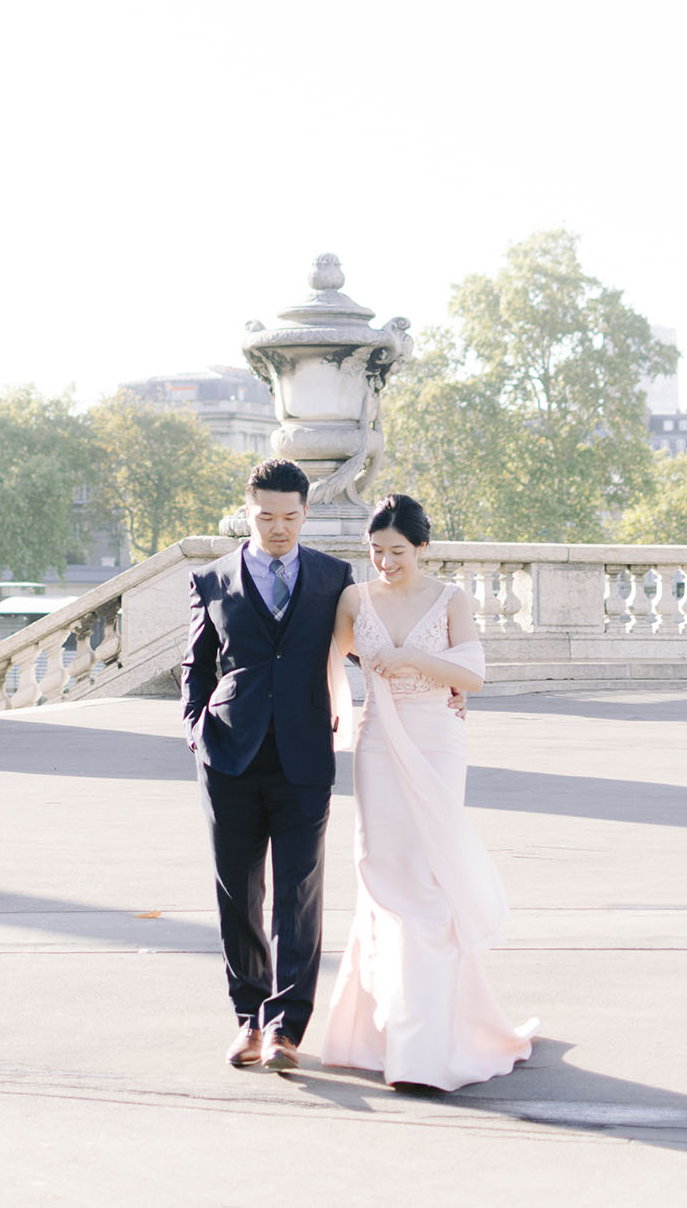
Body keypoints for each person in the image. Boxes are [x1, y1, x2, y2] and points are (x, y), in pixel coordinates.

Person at [321, 493, 539, 1090]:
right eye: (375, 551)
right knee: (381, 868)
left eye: (396, 551)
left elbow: (472, 674)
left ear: (421, 548)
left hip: (437, 738)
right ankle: (378, 1033)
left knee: (428, 873)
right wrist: (329, 717)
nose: (385, 562)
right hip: (376, 742)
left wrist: (412, 656)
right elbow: (328, 658)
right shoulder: (353, 598)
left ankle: (429, 1043)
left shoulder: (451, 600)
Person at [181, 457, 355, 1071]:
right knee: (238, 894)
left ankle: (285, 1028)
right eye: (266, 516)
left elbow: (373, 646)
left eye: (290, 516)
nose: (278, 528)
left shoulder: (336, 577)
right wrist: (195, 729)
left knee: (299, 895)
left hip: (306, 753)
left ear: (305, 512)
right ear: (247, 512)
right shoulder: (212, 579)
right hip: (229, 753)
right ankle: (247, 1020)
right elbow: (196, 664)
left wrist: (440, 680)